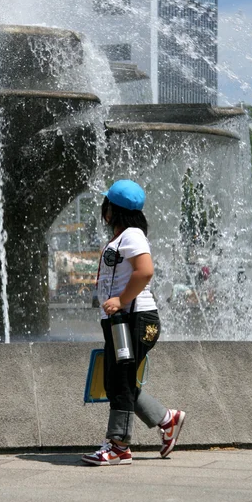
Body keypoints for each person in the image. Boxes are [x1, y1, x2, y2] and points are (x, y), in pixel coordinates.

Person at [82, 179, 185, 466]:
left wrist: (121, 299)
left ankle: (118, 445)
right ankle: (167, 419)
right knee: (118, 380)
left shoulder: (132, 235)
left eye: (106, 206)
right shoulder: (121, 237)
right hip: (121, 321)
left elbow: (145, 271)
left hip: (136, 319)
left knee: (121, 381)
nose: (103, 211)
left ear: (112, 209)